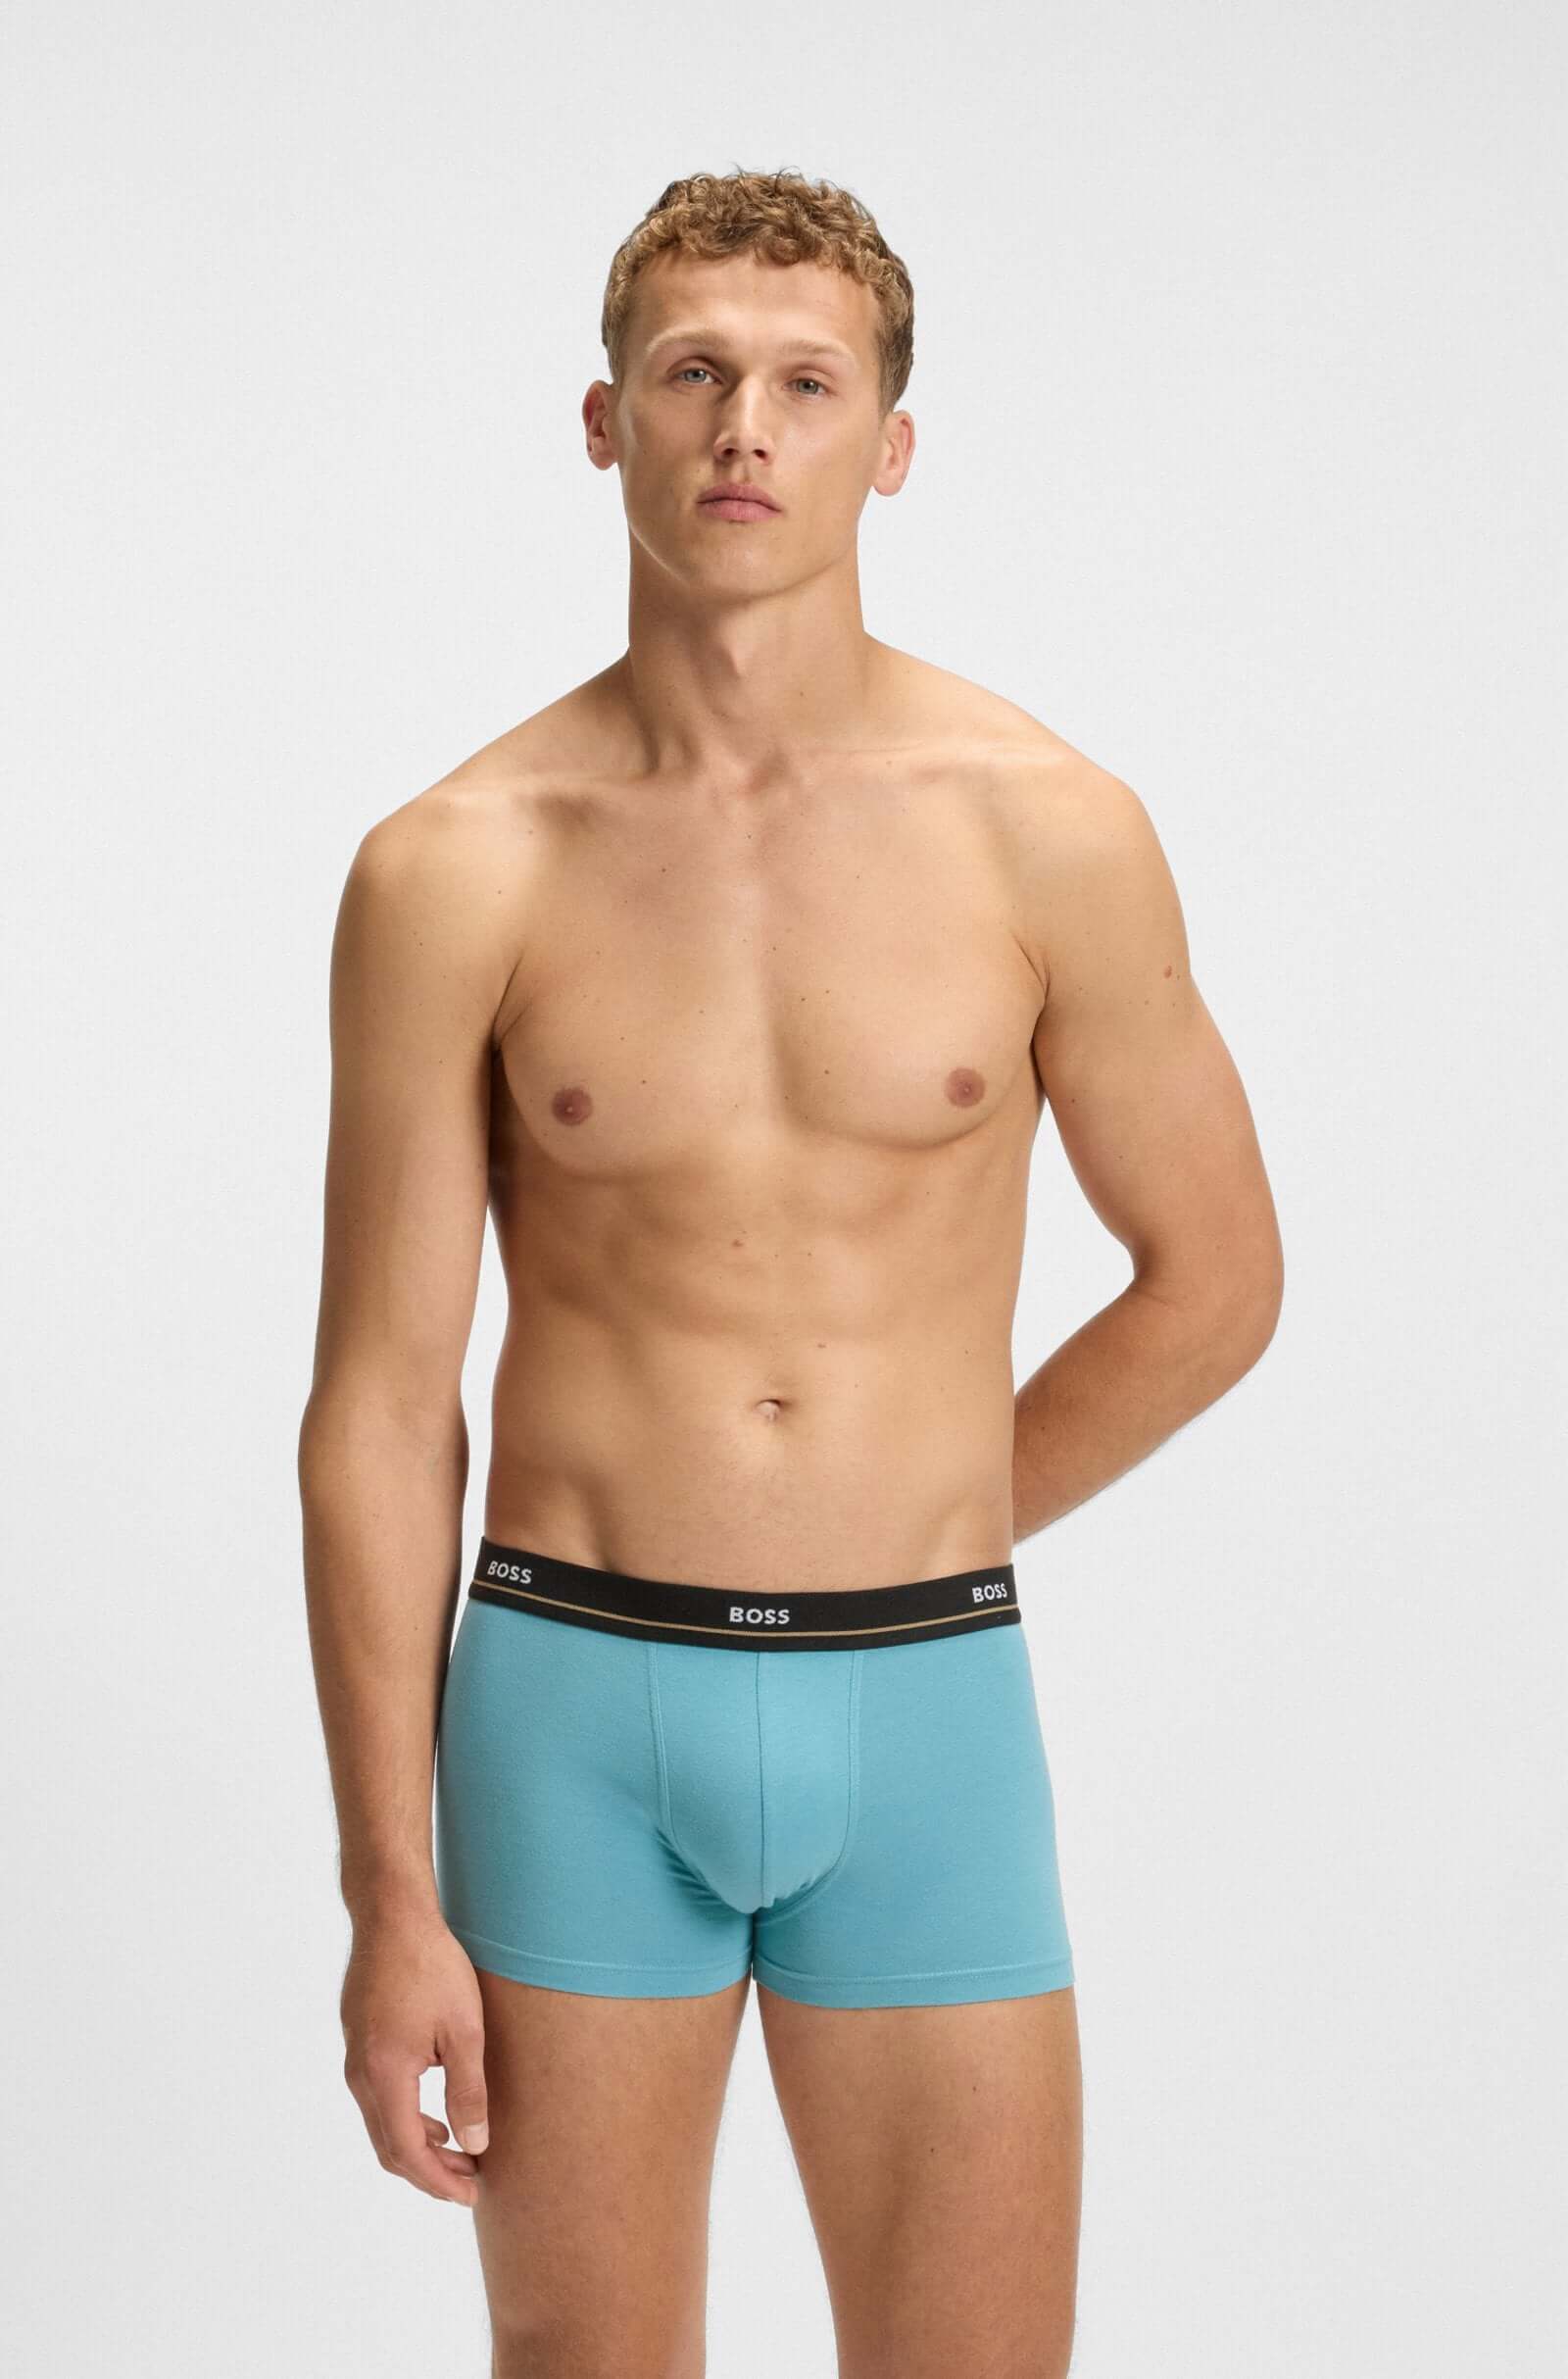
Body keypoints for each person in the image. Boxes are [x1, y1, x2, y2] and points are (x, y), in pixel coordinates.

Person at [298, 166, 1283, 2379]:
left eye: (807, 384)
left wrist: (930, 1500)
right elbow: (378, 1402)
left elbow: (1214, 1279)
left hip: (925, 1702)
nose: (745, 425)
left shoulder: (1046, 827)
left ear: (889, 443)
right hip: (569, 1710)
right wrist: (386, 1891)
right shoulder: (453, 865)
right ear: (605, 420)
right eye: (692, 372)